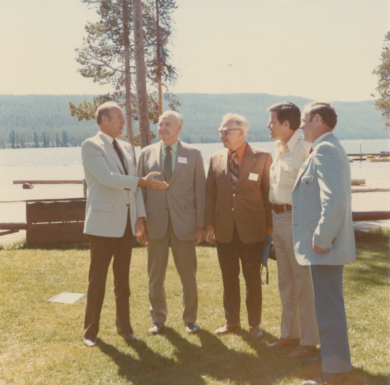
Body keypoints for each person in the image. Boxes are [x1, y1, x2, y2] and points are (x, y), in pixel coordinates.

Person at [82, 101, 168, 347]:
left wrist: (139, 217)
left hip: (127, 224)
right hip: (102, 225)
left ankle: (125, 327)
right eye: (119, 117)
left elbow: (132, 188)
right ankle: (90, 332)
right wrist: (142, 181)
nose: (123, 121)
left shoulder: (128, 147)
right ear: (104, 120)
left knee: (123, 280)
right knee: (97, 280)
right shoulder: (91, 145)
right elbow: (107, 179)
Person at [293, 102, 356, 385]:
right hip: (324, 246)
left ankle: (333, 375)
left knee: (328, 309)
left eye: (305, 120)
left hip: (325, 246)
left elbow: (335, 200)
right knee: (329, 307)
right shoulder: (324, 147)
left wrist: (321, 238)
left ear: (318, 119)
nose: (301, 125)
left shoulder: (325, 149)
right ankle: (335, 364)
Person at [137, 110, 206, 335]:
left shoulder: (194, 154)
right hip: (155, 224)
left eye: (168, 124)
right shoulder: (146, 153)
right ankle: (157, 319)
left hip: (184, 224)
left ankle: (190, 320)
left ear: (179, 128)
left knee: (188, 276)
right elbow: (140, 191)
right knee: (155, 276)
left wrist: (200, 224)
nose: (163, 128)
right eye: (160, 124)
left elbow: (200, 192)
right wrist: (140, 220)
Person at [205, 113, 272, 338]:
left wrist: (270, 227)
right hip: (224, 230)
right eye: (220, 132)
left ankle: (255, 324)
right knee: (228, 278)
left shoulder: (262, 157)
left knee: (252, 279)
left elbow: (268, 194)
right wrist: (209, 224)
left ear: (241, 132)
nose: (222, 135)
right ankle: (232, 321)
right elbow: (210, 195)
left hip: (253, 231)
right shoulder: (215, 158)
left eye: (226, 131)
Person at [266, 102, 320, 357]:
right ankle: (289, 335)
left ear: (287, 125)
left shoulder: (304, 149)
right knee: (285, 282)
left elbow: (313, 192)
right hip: (278, 220)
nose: (268, 126)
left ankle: (308, 341)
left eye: (273, 122)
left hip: (296, 219)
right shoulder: (279, 148)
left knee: (302, 282)